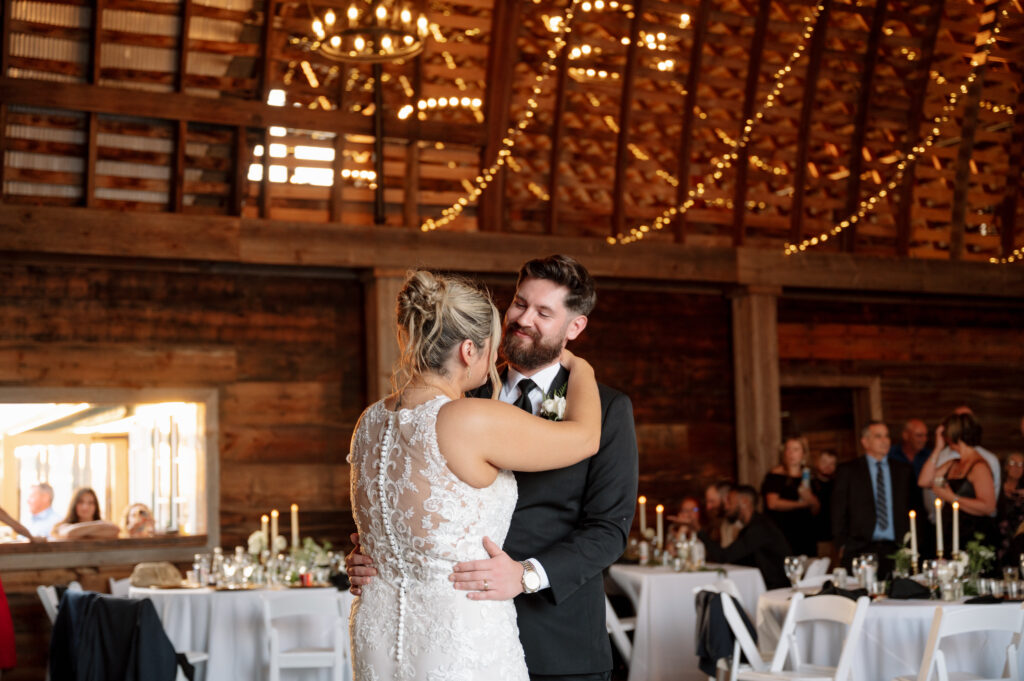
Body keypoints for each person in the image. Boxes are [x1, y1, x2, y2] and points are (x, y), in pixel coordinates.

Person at [349, 256, 639, 681]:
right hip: (451, 631)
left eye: (544, 312)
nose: (523, 320)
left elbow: (609, 529)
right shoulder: (459, 394)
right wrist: (372, 551)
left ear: (574, 328)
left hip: (557, 639)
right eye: (520, 304)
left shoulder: (608, 408)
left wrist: (527, 576)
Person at [832, 421, 918, 575]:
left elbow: (914, 506)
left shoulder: (903, 470)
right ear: (865, 442)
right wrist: (841, 544)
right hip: (860, 547)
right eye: (878, 436)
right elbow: (838, 510)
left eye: (887, 436)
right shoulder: (848, 471)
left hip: (897, 548)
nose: (885, 441)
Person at [918, 412, 997, 551]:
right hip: (950, 534)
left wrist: (952, 498)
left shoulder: (979, 466)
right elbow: (924, 481)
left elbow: (988, 507)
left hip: (972, 538)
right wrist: (937, 449)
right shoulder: (953, 463)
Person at [699, 486, 791, 589]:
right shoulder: (750, 528)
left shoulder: (760, 528)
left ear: (744, 501)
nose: (726, 507)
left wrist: (698, 531)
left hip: (776, 590)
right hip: (761, 586)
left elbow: (724, 556)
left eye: (730, 501)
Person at [761, 436, 819, 557]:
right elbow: (772, 503)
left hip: (805, 534)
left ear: (803, 453)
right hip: (782, 532)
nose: (790, 453)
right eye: (788, 449)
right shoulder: (775, 475)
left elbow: (816, 510)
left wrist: (810, 499)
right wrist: (802, 504)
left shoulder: (809, 477)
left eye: (795, 449)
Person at [51, 487, 119, 541]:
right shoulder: (63, 526)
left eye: (90, 503)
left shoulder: (105, 526)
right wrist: (101, 525)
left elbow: (116, 530)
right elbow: (70, 533)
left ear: (96, 506)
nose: (85, 507)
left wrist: (81, 533)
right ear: (74, 505)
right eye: (81, 502)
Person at [997, 453, 1024, 561]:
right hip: (999, 536)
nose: (1017, 468)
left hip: (1020, 539)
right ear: (1006, 467)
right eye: (1013, 463)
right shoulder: (997, 486)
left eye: (1021, 464)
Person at [811, 450, 837, 560]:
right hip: (818, 536)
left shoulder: (839, 483)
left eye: (832, 463)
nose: (828, 466)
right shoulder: (810, 484)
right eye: (824, 462)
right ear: (816, 462)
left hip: (836, 536)